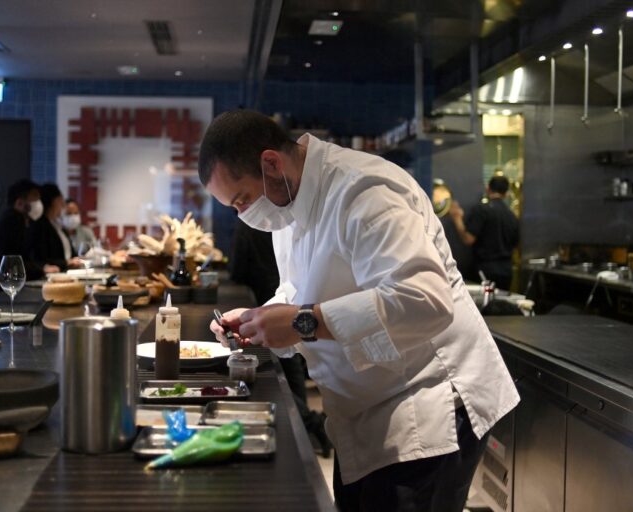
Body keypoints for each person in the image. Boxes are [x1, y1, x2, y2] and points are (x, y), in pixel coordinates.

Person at [199, 110, 519, 512]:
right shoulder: (287, 202)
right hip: (367, 408)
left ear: (270, 163)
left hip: (427, 403)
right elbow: (300, 288)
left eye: (242, 199)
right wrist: (260, 319)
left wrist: (302, 323)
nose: (242, 213)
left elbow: (424, 300)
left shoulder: (363, 189)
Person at [230, 217, 331, 457]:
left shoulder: (252, 221)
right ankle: (303, 433)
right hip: (281, 305)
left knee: (281, 376)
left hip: (268, 304)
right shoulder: (288, 219)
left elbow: (237, 270)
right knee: (291, 369)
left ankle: (307, 429)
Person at [0, 179, 59, 296]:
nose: (39, 204)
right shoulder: (10, 220)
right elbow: (11, 260)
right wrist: (41, 268)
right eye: (35, 199)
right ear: (19, 203)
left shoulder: (24, 221)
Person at [449, 175, 519, 290]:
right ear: (506, 193)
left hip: (485, 271)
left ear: (488, 189)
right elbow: (515, 244)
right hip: (507, 272)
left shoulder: (482, 210)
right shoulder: (512, 216)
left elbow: (468, 239)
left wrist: (457, 218)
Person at [27, 183, 82, 271]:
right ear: (53, 201)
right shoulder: (40, 225)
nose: (63, 204)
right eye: (60, 200)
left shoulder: (58, 224)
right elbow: (40, 258)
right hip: (52, 274)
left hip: (67, 271)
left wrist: (76, 259)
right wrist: (66, 263)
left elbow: (71, 252)